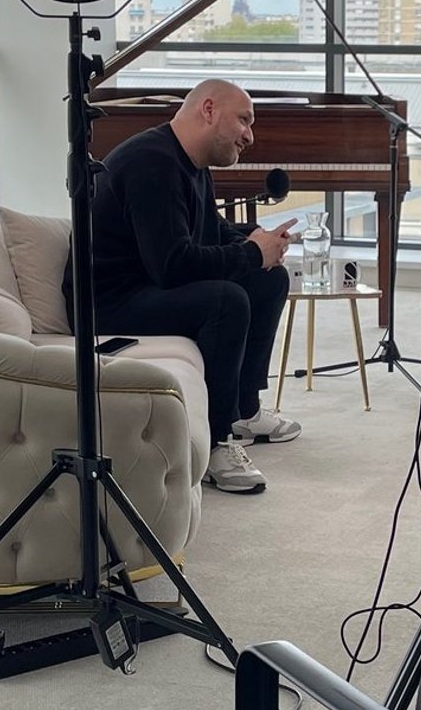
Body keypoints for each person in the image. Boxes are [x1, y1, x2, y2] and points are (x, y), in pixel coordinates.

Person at [89, 78, 298, 497]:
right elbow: (173, 265)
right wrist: (251, 253)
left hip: (145, 285)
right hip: (110, 301)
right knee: (227, 300)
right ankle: (218, 443)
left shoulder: (189, 163)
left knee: (269, 280)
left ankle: (245, 410)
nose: (250, 136)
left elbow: (211, 232)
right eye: (244, 120)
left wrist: (258, 246)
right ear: (208, 110)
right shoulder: (153, 163)